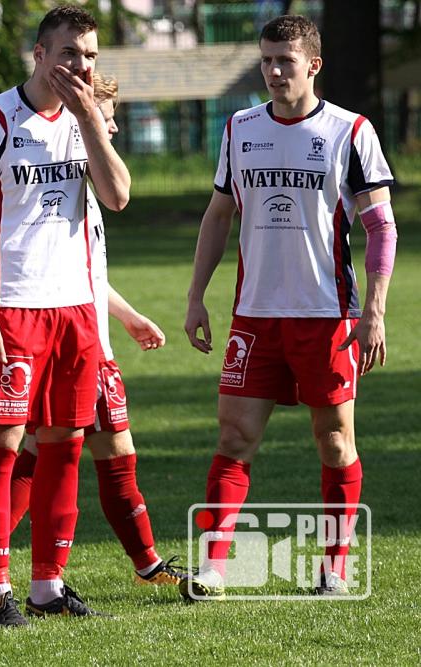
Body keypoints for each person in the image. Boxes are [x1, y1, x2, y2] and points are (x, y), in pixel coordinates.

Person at [181, 14, 396, 601]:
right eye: (267, 60)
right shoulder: (239, 128)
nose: (274, 72)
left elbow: (381, 227)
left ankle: (334, 568)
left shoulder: (351, 131)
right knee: (234, 438)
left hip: (327, 316)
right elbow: (219, 215)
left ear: (313, 65)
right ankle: (214, 568)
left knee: (334, 442)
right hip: (254, 315)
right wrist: (196, 296)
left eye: (286, 61)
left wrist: (374, 311)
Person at [0, 74, 188, 594]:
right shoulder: (17, 144)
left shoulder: (85, 188)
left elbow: (89, 272)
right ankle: (144, 565)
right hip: (60, 333)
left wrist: (127, 315)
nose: (113, 126)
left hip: (83, 332)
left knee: (50, 449)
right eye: (107, 116)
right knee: (105, 454)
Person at [0, 5, 131, 626]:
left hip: (76, 309)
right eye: (69, 53)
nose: (80, 66)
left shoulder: (88, 120)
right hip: (12, 308)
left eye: (90, 56)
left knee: (64, 446)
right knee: (0, 447)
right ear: (39, 54)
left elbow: (118, 196)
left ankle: (47, 586)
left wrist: (90, 122)